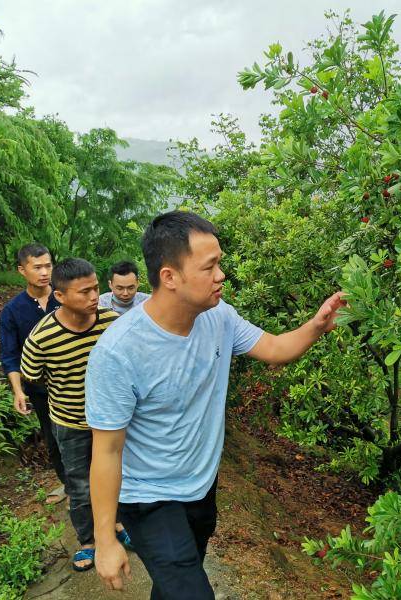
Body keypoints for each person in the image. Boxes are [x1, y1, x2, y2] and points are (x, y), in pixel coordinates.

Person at [86, 211, 346, 598]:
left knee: (175, 585)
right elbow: (107, 450)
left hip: (200, 486)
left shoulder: (218, 316)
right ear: (169, 277)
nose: (222, 274)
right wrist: (104, 539)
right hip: (149, 497)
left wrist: (316, 325)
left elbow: (274, 348)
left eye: (219, 263)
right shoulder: (119, 352)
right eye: (210, 266)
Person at [21, 258, 130, 572]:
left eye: (96, 288)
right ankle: (88, 541)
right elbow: (32, 376)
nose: (94, 296)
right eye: (84, 292)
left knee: (118, 473)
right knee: (80, 485)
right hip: (70, 422)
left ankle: (118, 523)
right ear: (60, 296)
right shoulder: (42, 337)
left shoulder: (112, 322)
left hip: (111, 421)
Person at [0, 243, 66, 504]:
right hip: (41, 390)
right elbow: (9, 355)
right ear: (22, 270)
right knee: (53, 438)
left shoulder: (65, 297)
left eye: (48, 266)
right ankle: (69, 485)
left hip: (77, 384)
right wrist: (18, 391)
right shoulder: (13, 311)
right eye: (37, 267)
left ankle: (95, 484)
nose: (44, 272)